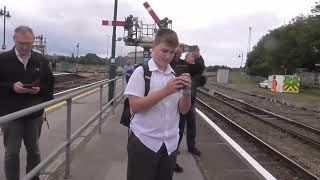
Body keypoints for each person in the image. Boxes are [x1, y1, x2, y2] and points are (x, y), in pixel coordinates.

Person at [124, 28, 191, 180]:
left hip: (170, 145)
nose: (168, 56)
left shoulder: (175, 75)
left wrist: (187, 92)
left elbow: (183, 110)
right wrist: (165, 91)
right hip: (144, 142)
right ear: (153, 48)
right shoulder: (141, 72)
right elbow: (135, 107)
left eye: (172, 52)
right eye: (164, 51)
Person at [0, 26, 54, 180]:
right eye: (21, 43)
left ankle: (34, 177)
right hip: (11, 115)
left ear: (34, 40)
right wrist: (12, 87)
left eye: (28, 43)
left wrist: (40, 91)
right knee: (11, 153)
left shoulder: (41, 60)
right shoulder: (3, 60)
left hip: (34, 114)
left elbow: (49, 84)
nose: (25, 47)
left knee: (34, 150)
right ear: (14, 40)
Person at [169, 43, 189, 173]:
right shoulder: (169, 61)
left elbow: (197, 69)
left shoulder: (184, 64)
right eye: (178, 48)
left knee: (178, 133)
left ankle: (172, 160)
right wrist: (175, 51)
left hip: (181, 100)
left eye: (181, 49)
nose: (180, 51)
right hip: (168, 100)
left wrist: (196, 56)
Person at [182, 48, 205, 156]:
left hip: (191, 102)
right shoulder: (182, 67)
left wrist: (199, 56)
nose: (193, 58)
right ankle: (174, 147)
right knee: (179, 127)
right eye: (191, 56)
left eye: (194, 56)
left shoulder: (196, 68)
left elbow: (201, 67)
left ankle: (191, 147)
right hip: (180, 102)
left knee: (192, 126)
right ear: (186, 58)